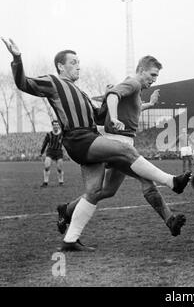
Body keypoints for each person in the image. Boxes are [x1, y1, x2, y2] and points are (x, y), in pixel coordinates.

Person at [2, 38, 190, 252]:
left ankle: (70, 239)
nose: (78, 65)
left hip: (87, 139)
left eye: (79, 62)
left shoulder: (81, 93)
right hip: (79, 138)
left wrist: (108, 106)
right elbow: (23, 83)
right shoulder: (54, 82)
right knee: (126, 150)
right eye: (73, 62)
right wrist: (17, 58)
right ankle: (172, 182)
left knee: (95, 191)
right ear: (61, 66)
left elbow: (100, 117)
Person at [56, 56, 186, 240]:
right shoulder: (133, 83)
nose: (154, 79)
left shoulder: (136, 90)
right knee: (146, 181)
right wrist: (115, 117)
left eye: (156, 76)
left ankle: (66, 210)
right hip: (118, 143)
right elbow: (113, 95)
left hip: (124, 143)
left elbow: (133, 108)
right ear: (141, 70)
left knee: (107, 190)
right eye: (152, 75)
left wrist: (150, 104)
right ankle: (170, 216)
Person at [40, 120, 64, 187]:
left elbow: (67, 143)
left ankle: (61, 181)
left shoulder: (62, 134)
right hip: (50, 151)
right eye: (54, 125)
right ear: (52, 126)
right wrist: (41, 152)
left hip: (59, 151)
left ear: (59, 126)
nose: (56, 126)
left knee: (59, 169)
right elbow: (44, 144)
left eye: (57, 125)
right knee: (47, 166)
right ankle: (45, 182)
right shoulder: (49, 134)